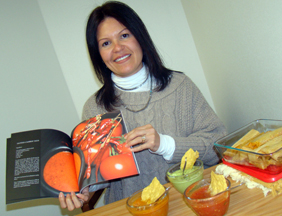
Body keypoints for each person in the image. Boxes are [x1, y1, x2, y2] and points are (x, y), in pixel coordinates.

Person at [59, 0, 227, 211]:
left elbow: (219, 145)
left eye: (124, 35)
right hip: (130, 209)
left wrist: (165, 144)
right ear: (98, 54)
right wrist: (84, 189)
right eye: (106, 43)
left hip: (189, 201)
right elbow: (98, 173)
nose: (118, 48)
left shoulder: (180, 86)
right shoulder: (95, 107)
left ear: (140, 37)